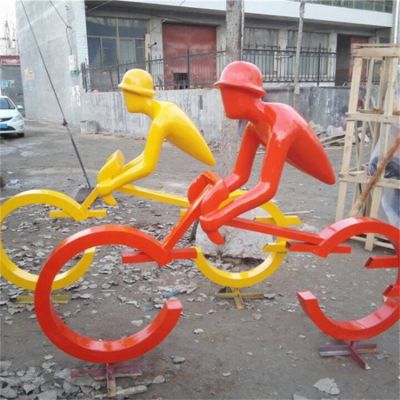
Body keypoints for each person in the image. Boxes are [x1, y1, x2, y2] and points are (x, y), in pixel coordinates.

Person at [195, 61, 336, 244]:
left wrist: (220, 216)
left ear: (247, 94)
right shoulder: (253, 127)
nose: (224, 100)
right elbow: (239, 175)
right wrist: (210, 200)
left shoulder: (281, 123)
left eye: (228, 93)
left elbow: (267, 188)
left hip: (316, 166)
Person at [96, 69, 216, 205]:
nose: (125, 100)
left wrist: (112, 184)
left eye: (126, 94)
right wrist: (121, 174)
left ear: (136, 94)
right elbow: (145, 155)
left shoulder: (161, 121)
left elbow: (147, 166)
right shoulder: (162, 108)